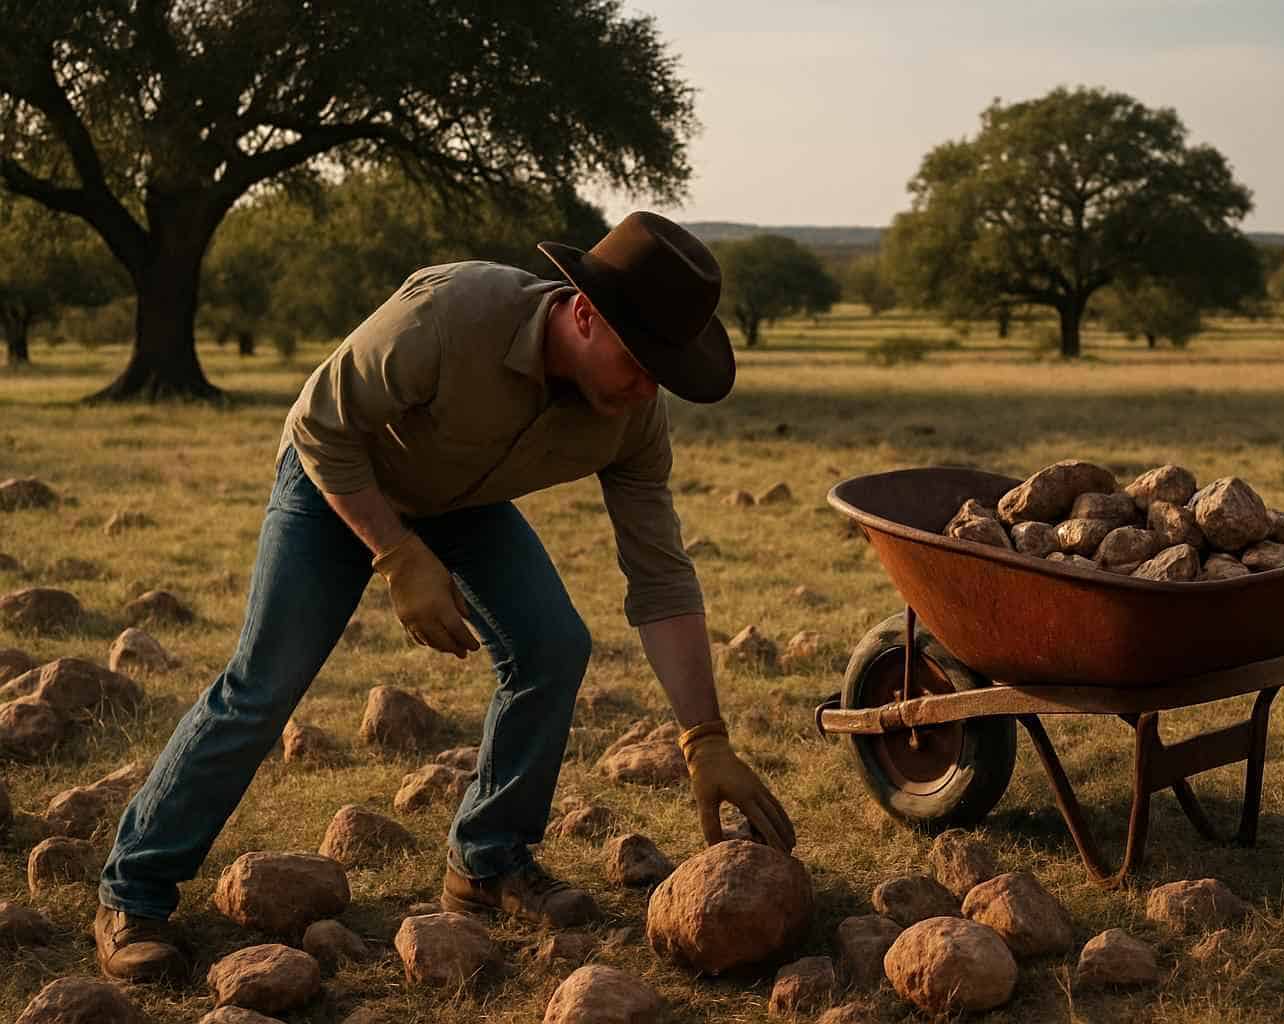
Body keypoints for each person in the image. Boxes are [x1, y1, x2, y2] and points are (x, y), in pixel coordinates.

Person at [92, 212, 796, 983]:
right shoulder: (450, 312)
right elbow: (318, 424)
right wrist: (397, 555)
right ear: (585, 314)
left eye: (664, 371)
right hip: (339, 476)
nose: (646, 388)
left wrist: (705, 738)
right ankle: (134, 889)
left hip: (463, 501)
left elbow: (660, 576)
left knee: (551, 644)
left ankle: (487, 862)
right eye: (640, 362)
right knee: (266, 682)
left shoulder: (632, 419)